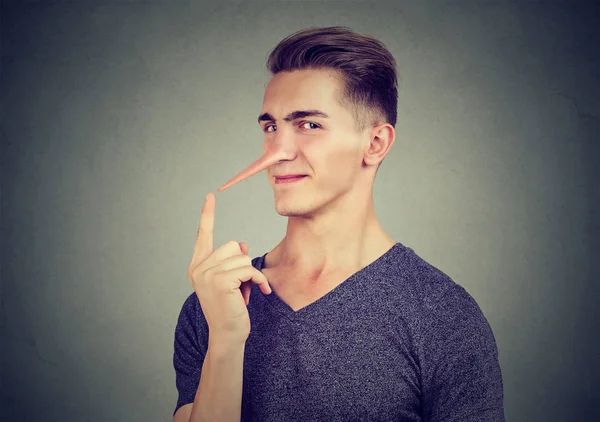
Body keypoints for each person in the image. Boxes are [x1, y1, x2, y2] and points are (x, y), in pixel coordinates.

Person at [172, 26, 505, 422]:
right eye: (271, 127)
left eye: (309, 125)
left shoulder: (442, 315)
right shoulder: (213, 305)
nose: (278, 152)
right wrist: (225, 340)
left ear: (375, 143)